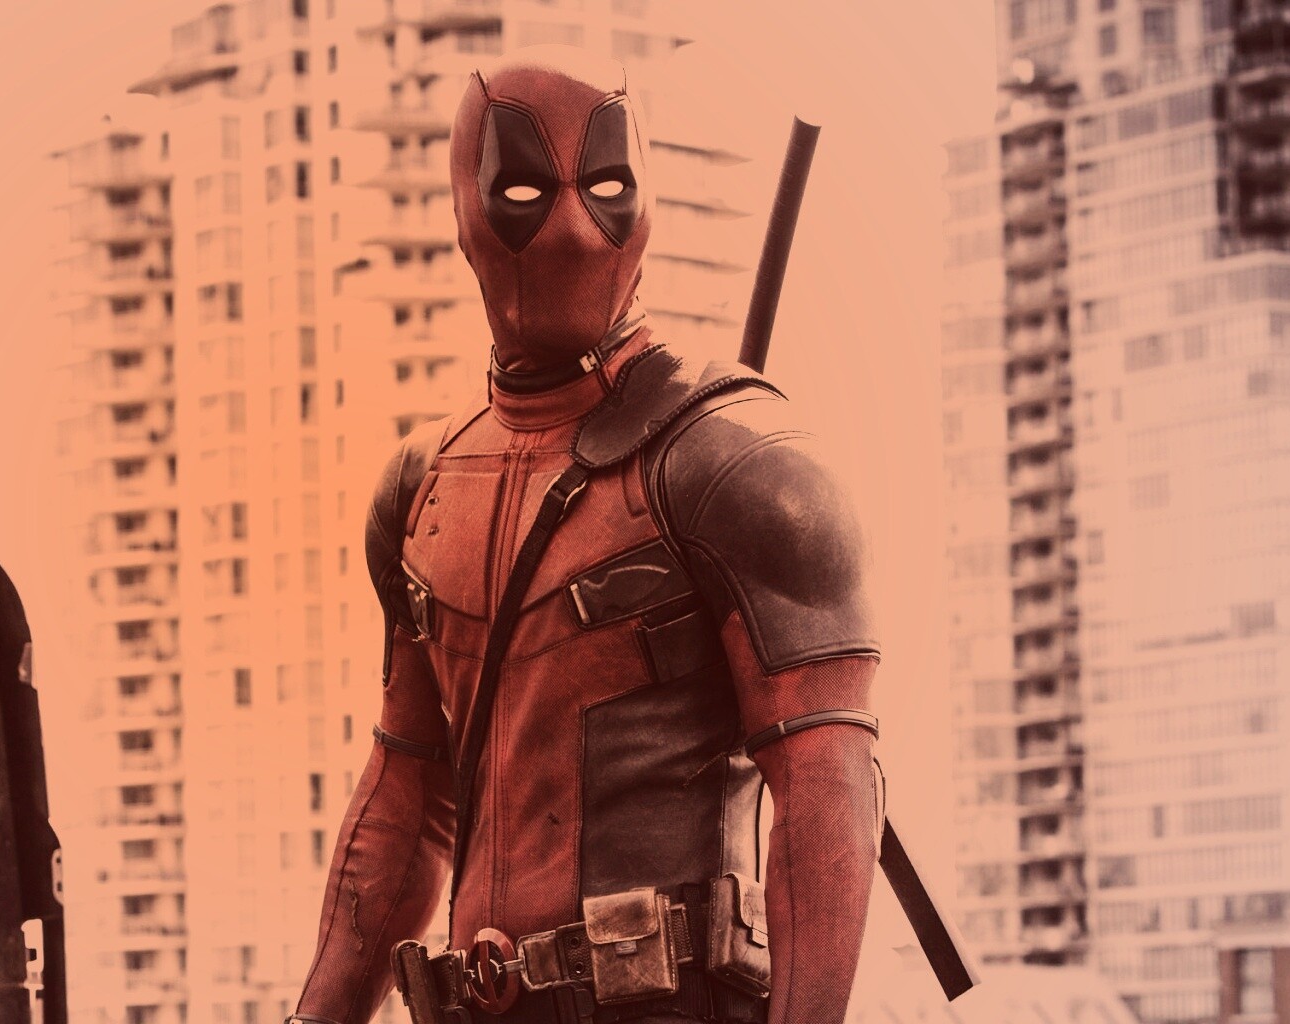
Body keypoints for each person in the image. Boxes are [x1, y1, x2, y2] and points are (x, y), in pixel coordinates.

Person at [286, 46, 883, 1024]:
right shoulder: (419, 487)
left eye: (605, 186)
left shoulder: (737, 464)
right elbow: (407, 799)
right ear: (464, 206)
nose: (570, 226)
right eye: (524, 189)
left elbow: (826, 788)